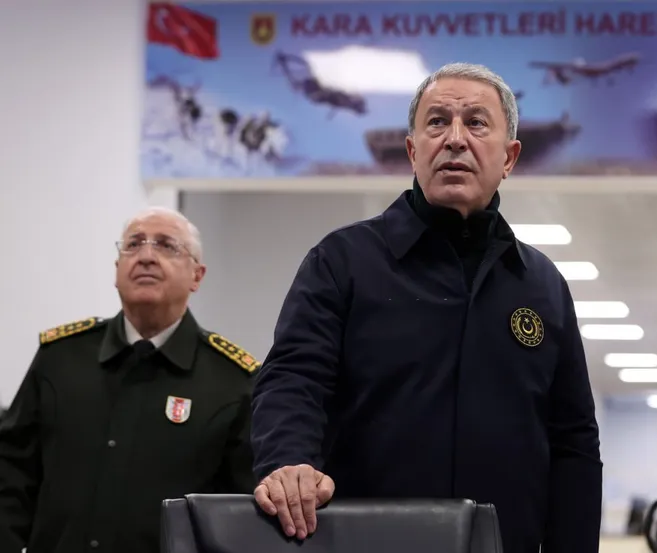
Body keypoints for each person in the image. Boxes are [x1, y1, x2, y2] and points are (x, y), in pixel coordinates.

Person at [249, 62, 602, 553]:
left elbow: (573, 443)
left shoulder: (542, 286)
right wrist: (289, 461)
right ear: (413, 151)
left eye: (476, 123)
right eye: (437, 122)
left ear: (509, 157)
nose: (455, 139)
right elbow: (294, 379)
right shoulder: (342, 263)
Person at [0, 207, 260, 553]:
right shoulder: (60, 359)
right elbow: (10, 475)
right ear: (117, 268)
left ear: (197, 276)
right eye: (134, 244)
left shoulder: (232, 382)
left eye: (167, 245)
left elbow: (241, 515)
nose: (146, 256)